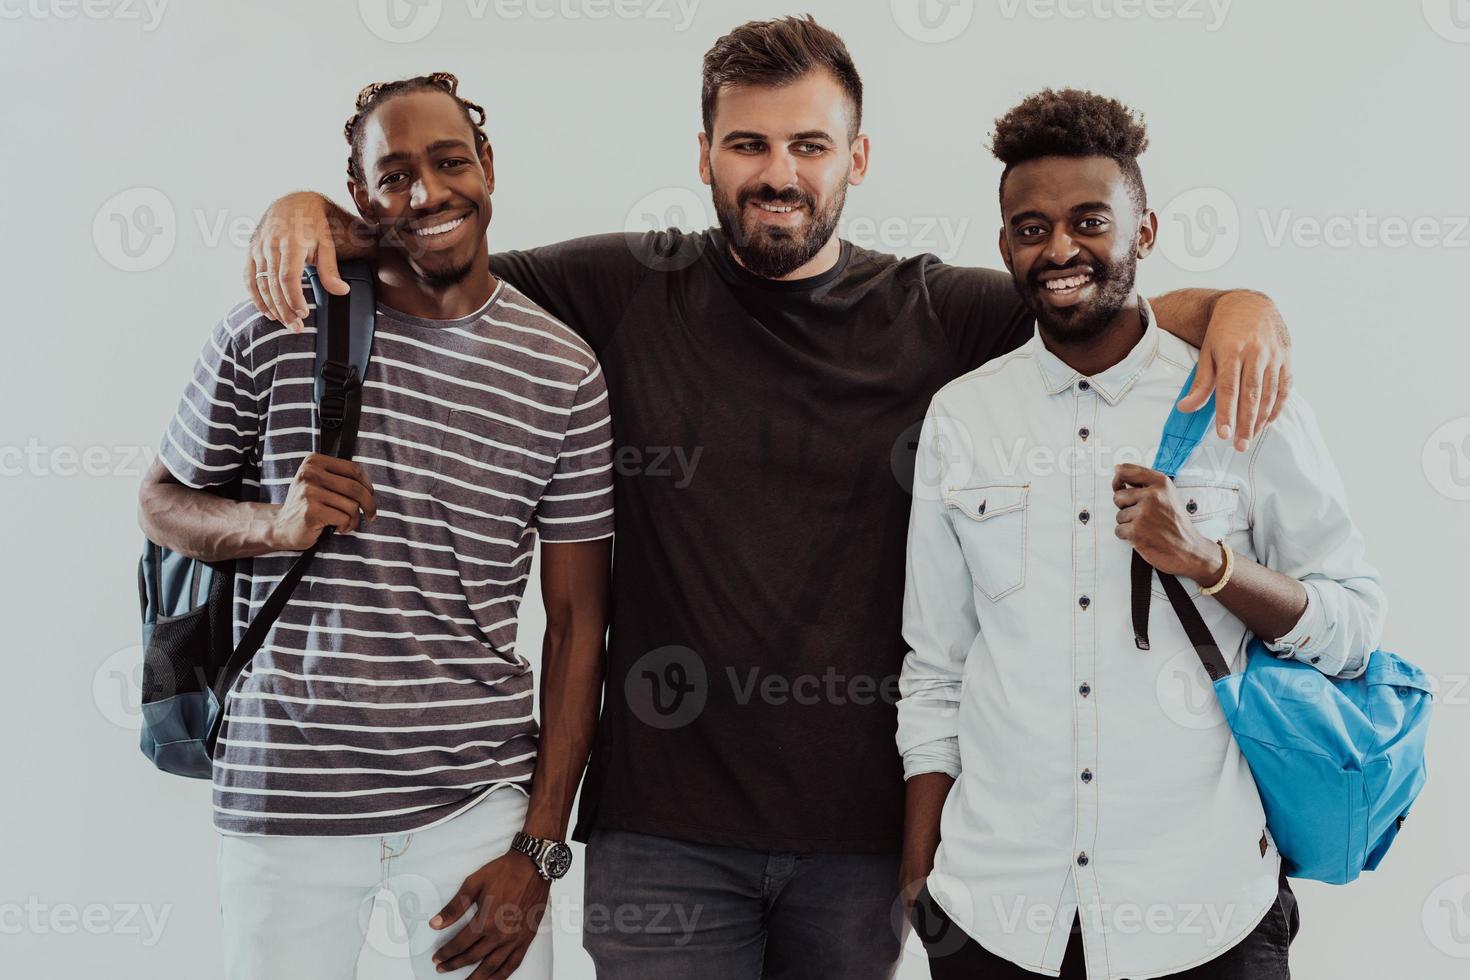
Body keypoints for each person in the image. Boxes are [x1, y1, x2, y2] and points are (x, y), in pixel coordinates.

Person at [238, 18, 1291, 979]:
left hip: (857, 835)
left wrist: (1240, 306)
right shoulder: (623, 285)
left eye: (809, 145)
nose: (777, 173)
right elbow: (439, 254)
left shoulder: (933, 309)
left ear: (857, 158)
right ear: (703, 155)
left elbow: (1088, 299)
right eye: (748, 145)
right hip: (663, 830)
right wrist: (309, 212)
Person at [897, 88, 1385, 980]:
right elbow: (936, 670)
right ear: (1006, 243)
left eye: (1090, 220)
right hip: (997, 919)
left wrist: (1211, 565)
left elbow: (1355, 628)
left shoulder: (1242, 395)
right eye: (1031, 227)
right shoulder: (962, 417)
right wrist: (920, 884)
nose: (1060, 249)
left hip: (1210, 915)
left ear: (1146, 231)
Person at [136, 72, 615, 980]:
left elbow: (579, 624)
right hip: (284, 796)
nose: (427, 193)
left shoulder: (564, 372)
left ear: (488, 168)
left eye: (448, 162)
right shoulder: (275, 328)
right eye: (394, 175)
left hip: (473, 804)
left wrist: (541, 849)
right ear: (357, 196)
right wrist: (274, 525)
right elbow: (161, 505)